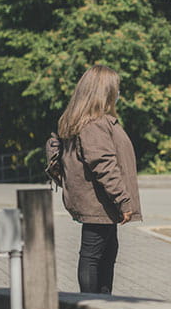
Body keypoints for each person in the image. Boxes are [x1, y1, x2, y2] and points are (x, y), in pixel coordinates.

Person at [55, 65, 141, 294]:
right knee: (93, 255)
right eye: (116, 89)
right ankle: (91, 305)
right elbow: (104, 166)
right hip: (99, 203)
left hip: (101, 203)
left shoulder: (88, 122)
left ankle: (103, 304)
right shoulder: (94, 125)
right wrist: (124, 201)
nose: (118, 93)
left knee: (105, 253)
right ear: (104, 91)